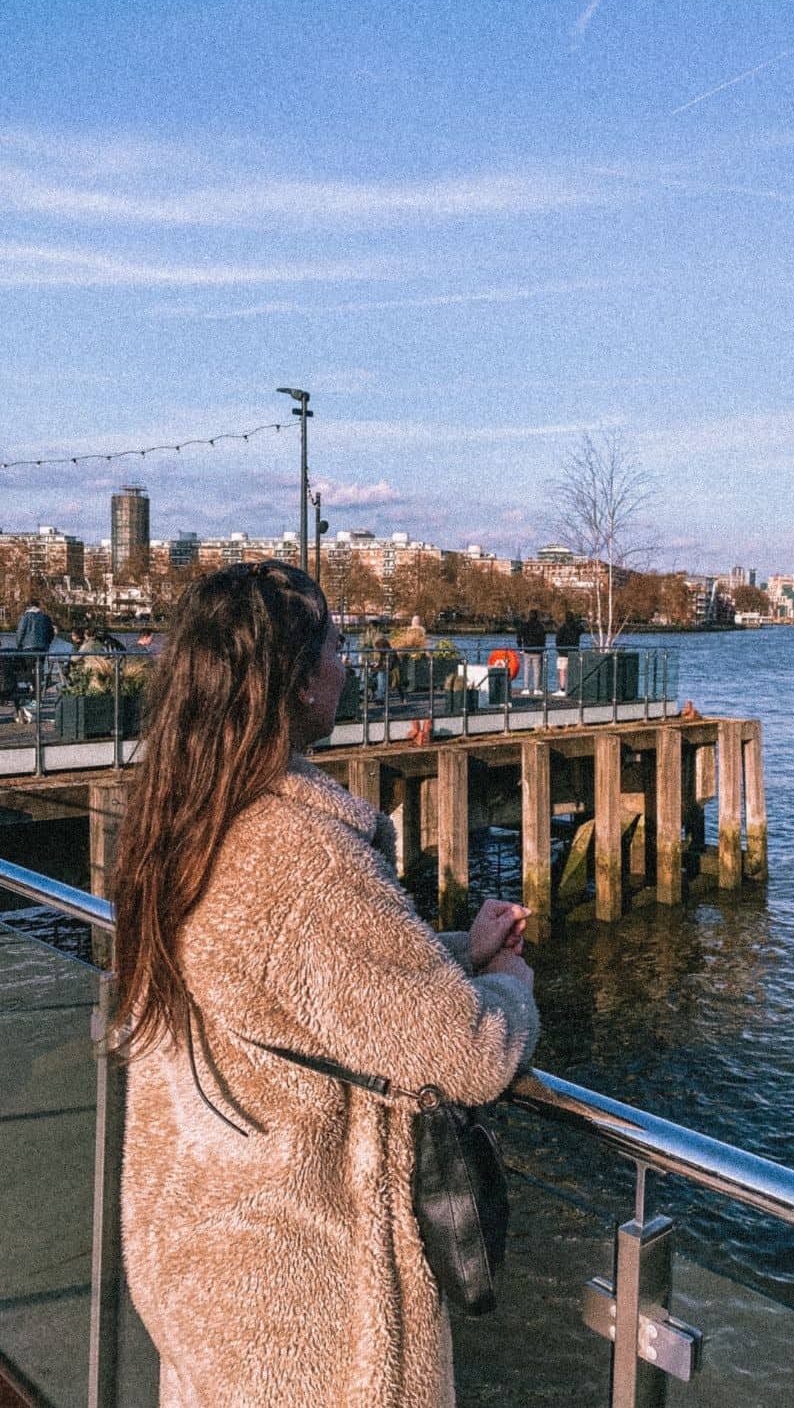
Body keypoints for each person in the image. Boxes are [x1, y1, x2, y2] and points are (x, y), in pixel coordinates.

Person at [111, 560, 538, 1408]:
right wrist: (510, 983)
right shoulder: (301, 855)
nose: (350, 662)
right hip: (300, 1300)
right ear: (295, 683)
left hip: (203, 1249)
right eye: (337, 644)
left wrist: (450, 950)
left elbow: (288, 979)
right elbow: (471, 1053)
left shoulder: (189, 811)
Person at [516, 608, 547, 696]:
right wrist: (543, 648)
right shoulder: (540, 626)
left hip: (527, 649)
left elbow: (519, 636)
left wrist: (520, 648)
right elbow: (543, 638)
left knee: (526, 669)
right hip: (537, 650)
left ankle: (526, 688)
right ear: (537, 616)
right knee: (537, 670)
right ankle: (536, 688)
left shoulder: (525, 625)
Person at [554, 611, 583, 696]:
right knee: (572, 671)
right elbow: (582, 629)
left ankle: (562, 689)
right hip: (574, 651)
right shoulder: (576, 628)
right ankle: (573, 689)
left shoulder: (562, 628)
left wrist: (559, 649)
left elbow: (557, 639)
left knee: (562, 671)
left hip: (563, 652)